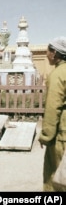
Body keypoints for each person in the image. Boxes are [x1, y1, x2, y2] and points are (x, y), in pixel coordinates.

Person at [38, 36, 66, 192]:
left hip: (62, 135)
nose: (46, 54)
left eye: (48, 51)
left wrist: (46, 136)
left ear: (54, 53)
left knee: (57, 178)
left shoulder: (58, 74)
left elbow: (52, 108)